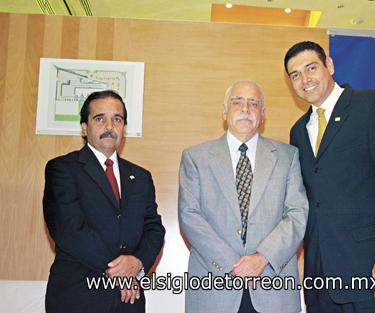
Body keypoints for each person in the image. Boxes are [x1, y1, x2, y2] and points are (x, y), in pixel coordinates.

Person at [284, 41, 375, 313]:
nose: (304, 79)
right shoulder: (297, 131)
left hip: (371, 272)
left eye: (311, 68)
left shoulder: (372, 105)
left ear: (329, 66)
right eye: (295, 75)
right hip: (320, 279)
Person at [178, 80, 309, 313]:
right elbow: (190, 216)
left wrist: (262, 258)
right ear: (224, 111)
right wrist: (235, 265)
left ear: (263, 113)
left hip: (273, 286)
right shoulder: (195, 158)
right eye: (237, 102)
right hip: (214, 287)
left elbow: (297, 214)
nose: (245, 108)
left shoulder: (288, 157)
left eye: (253, 103)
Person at [43, 90, 165, 313]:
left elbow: (154, 229)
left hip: (129, 300)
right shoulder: (62, 169)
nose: (109, 126)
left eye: (117, 119)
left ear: (123, 129)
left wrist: (137, 264)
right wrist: (120, 271)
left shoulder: (140, 176)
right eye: (100, 118)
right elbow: (69, 229)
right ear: (83, 127)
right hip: (78, 297)